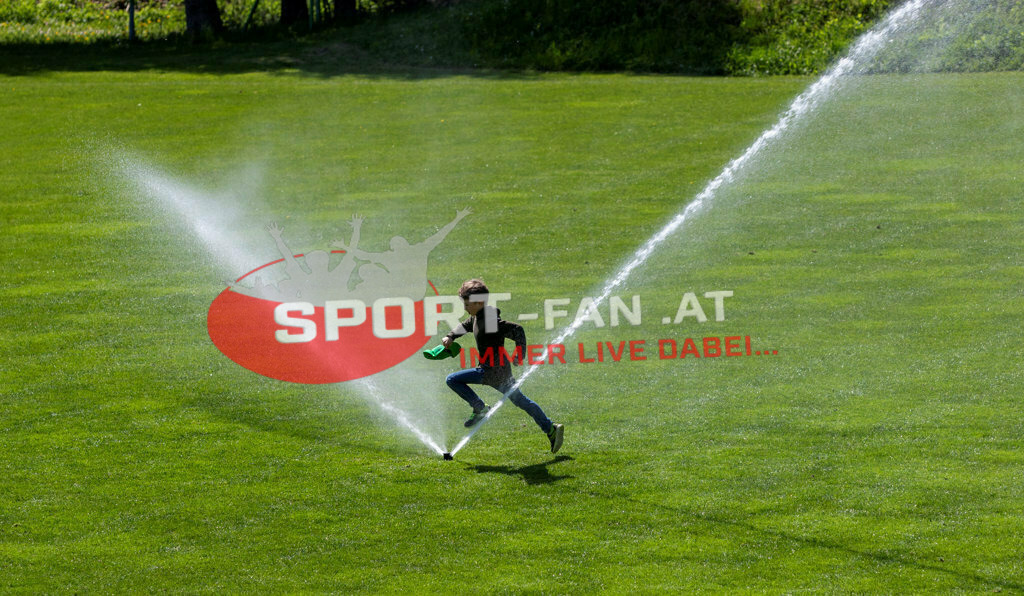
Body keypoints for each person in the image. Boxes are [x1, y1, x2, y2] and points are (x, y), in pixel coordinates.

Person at [441, 279, 564, 454]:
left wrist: (519, 354)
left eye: (467, 304)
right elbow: (466, 325)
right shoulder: (478, 316)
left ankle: (480, 408)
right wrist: (451, 336)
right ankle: (551, 429)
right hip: (499, 371)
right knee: (521, 401)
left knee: (452, 380)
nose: (465, 308)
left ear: (479, 302)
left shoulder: (490, 321)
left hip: (491, 371)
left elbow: (517, 330)